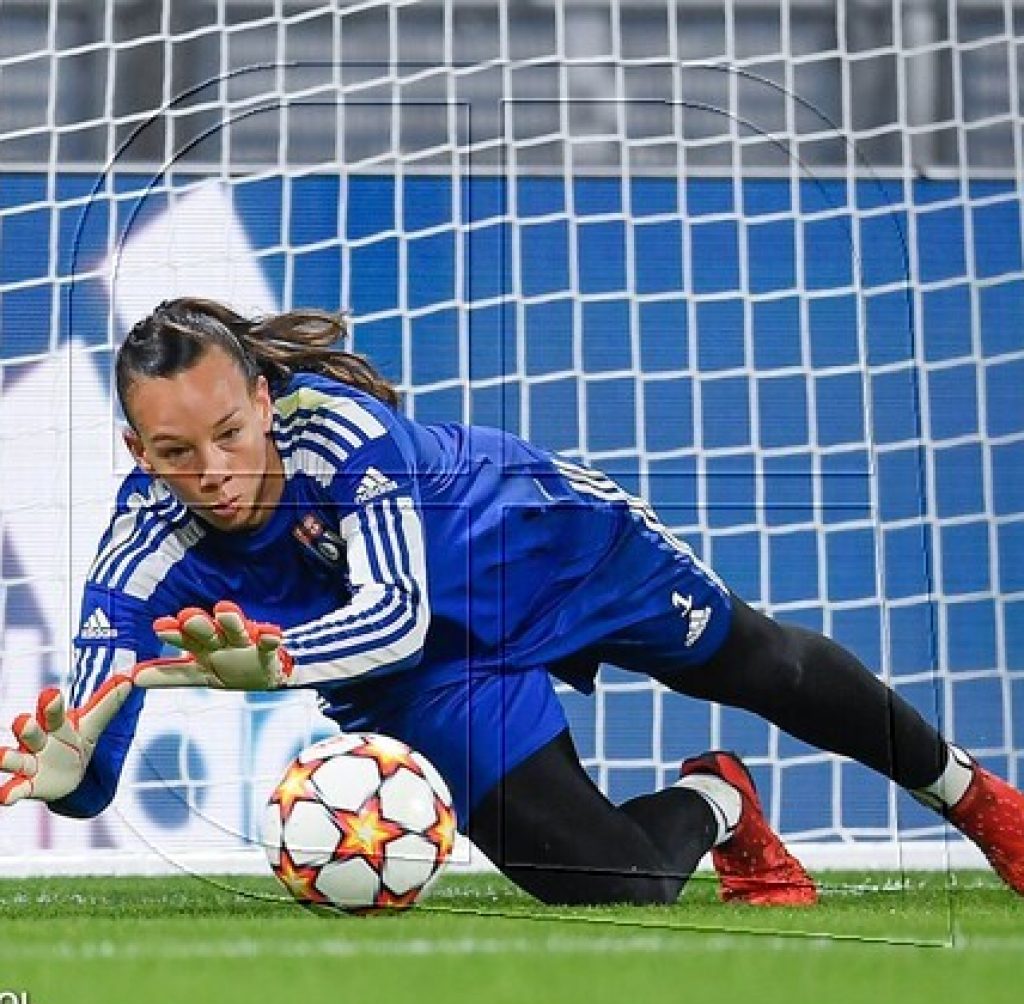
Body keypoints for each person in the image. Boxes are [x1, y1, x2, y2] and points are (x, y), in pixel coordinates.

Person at [1, 296, 1021, 907]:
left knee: (764, 665)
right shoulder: (140, 559)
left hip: (542, 545)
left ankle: (972, 796)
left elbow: (391, 609)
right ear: (137, 451)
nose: (215, 471)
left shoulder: (342, 434)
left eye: (230, 432)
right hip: (426, 674)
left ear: (264, 398)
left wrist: (273, 663)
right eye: (176, 452)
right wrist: (70, 779)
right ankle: (721, 802)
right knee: (615, 887)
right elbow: (90, 751)